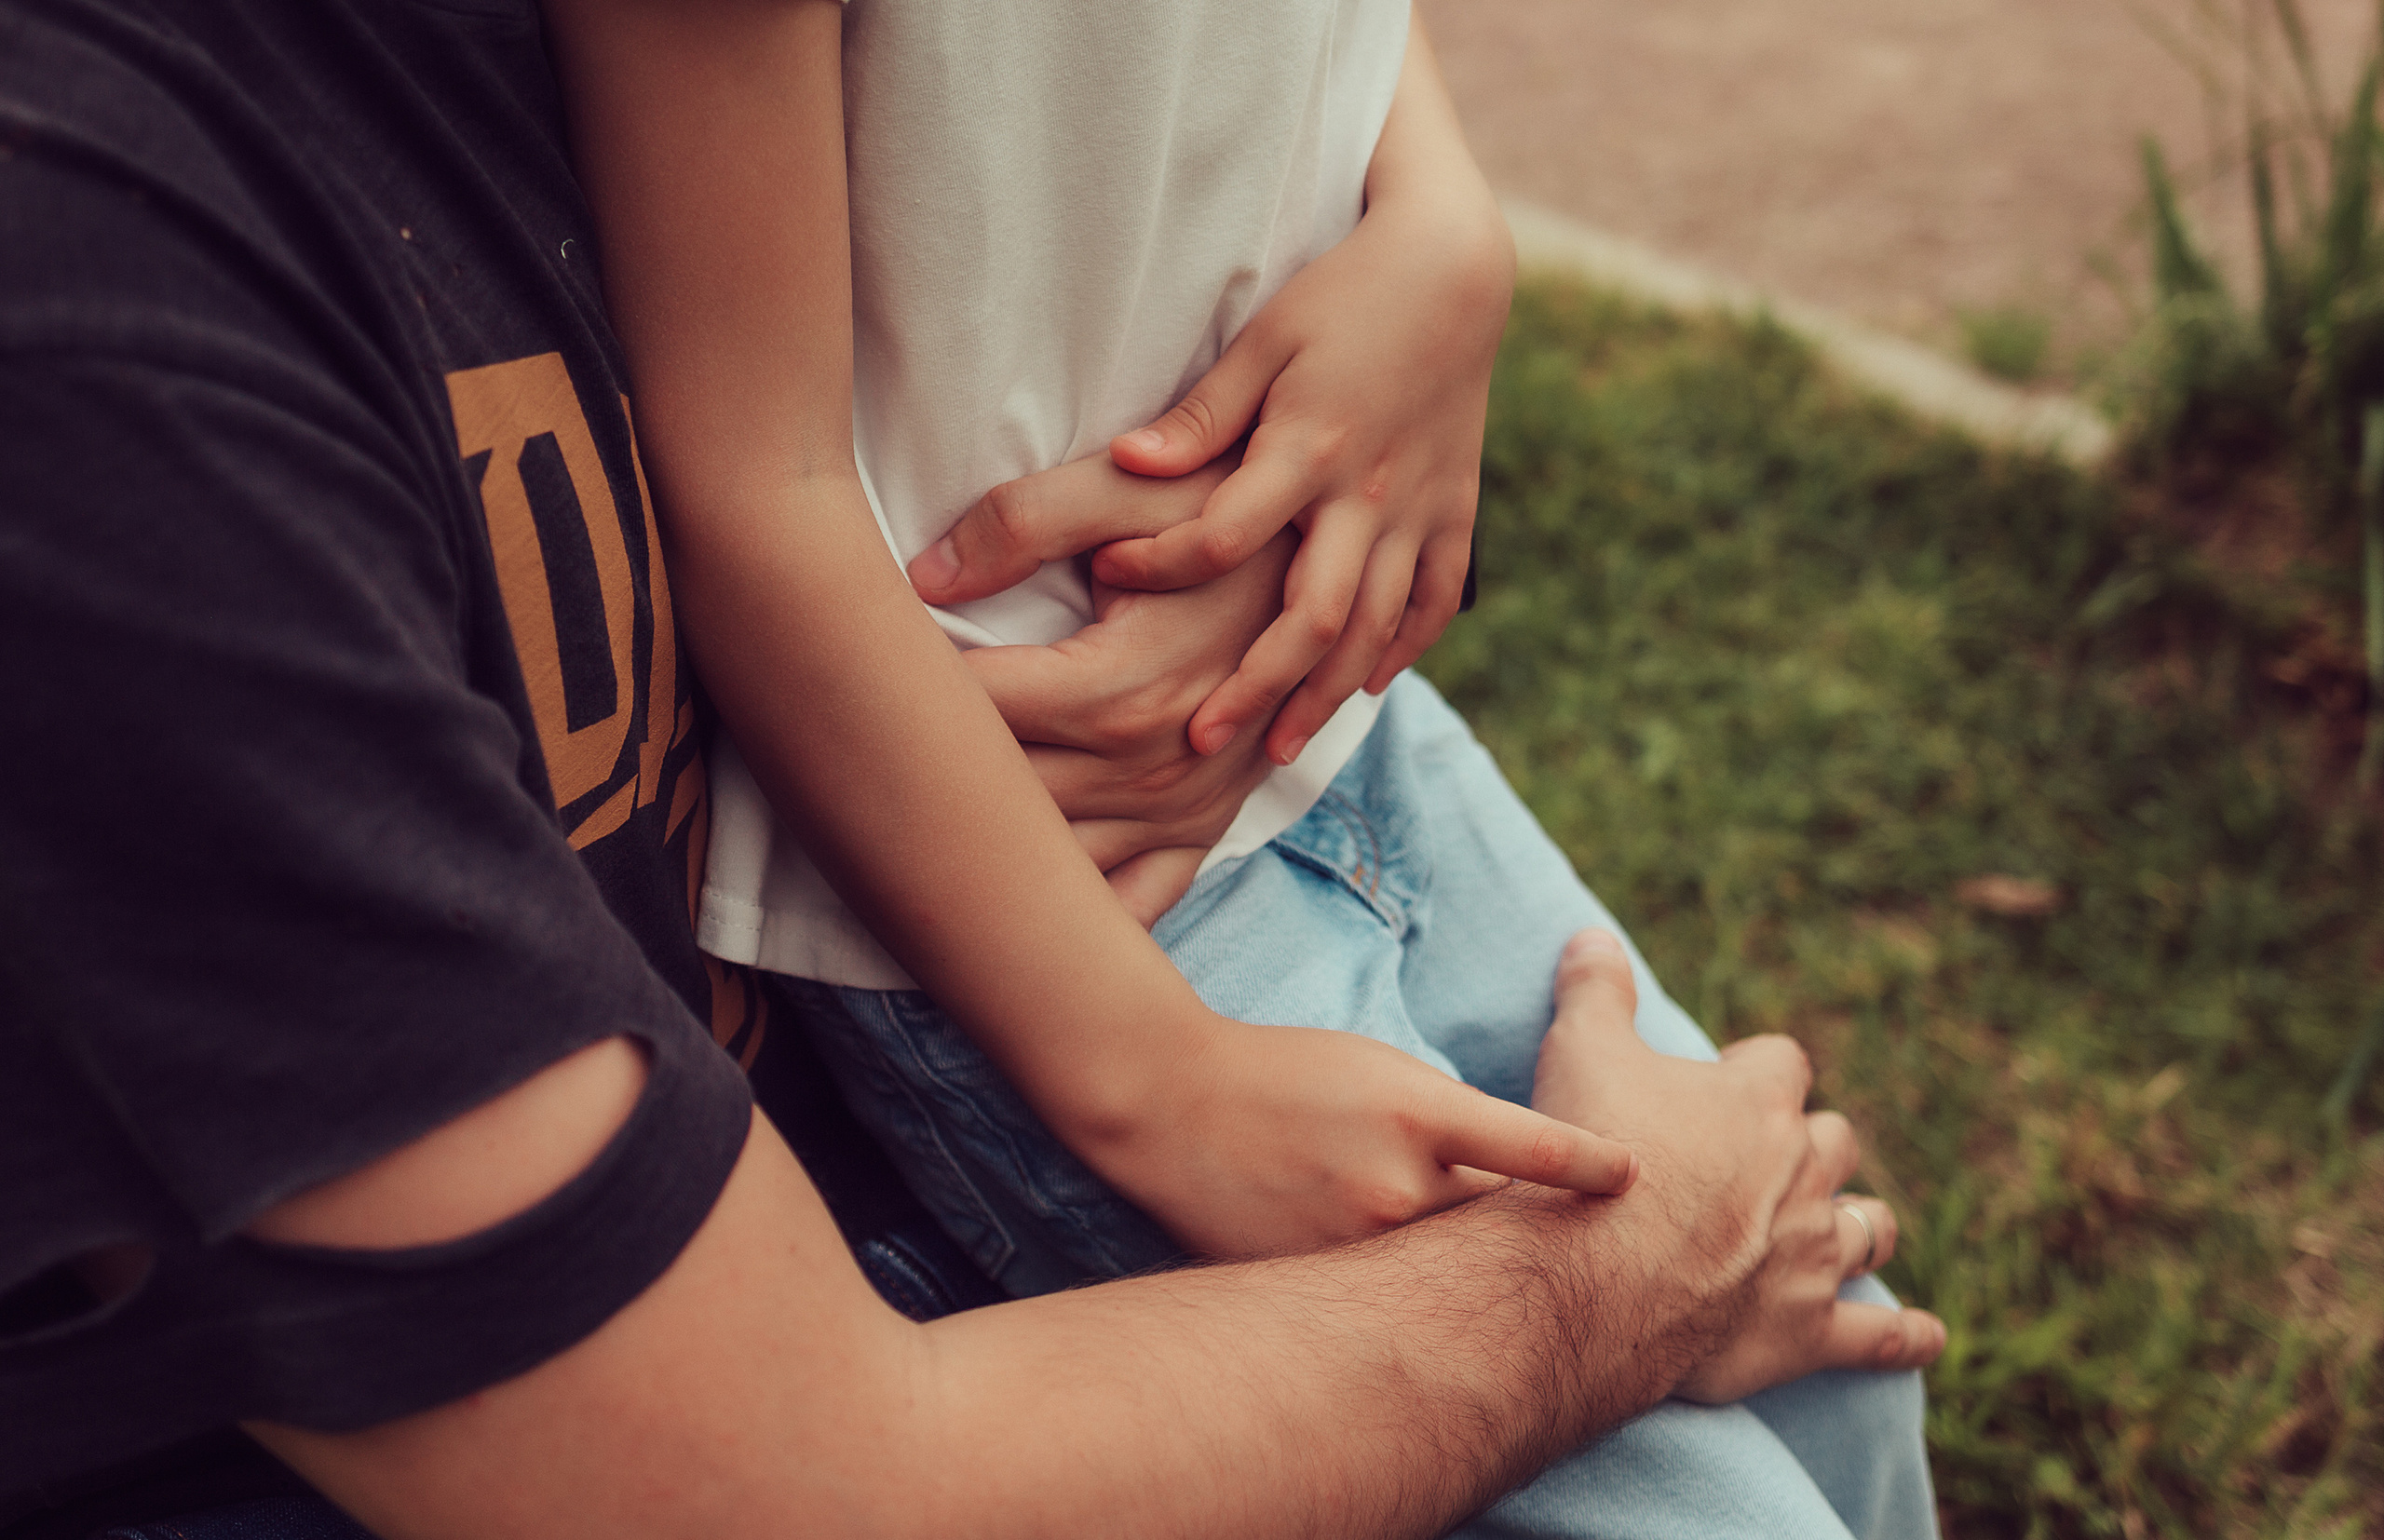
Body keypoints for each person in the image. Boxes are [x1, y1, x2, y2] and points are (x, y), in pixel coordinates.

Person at [0, 2, 1942, 1539]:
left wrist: (1433, 222)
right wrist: (1608, 1269)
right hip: (969, 971)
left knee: (1838, 1372)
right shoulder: (97, 311)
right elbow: (770, 1479)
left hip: (1237, 800)